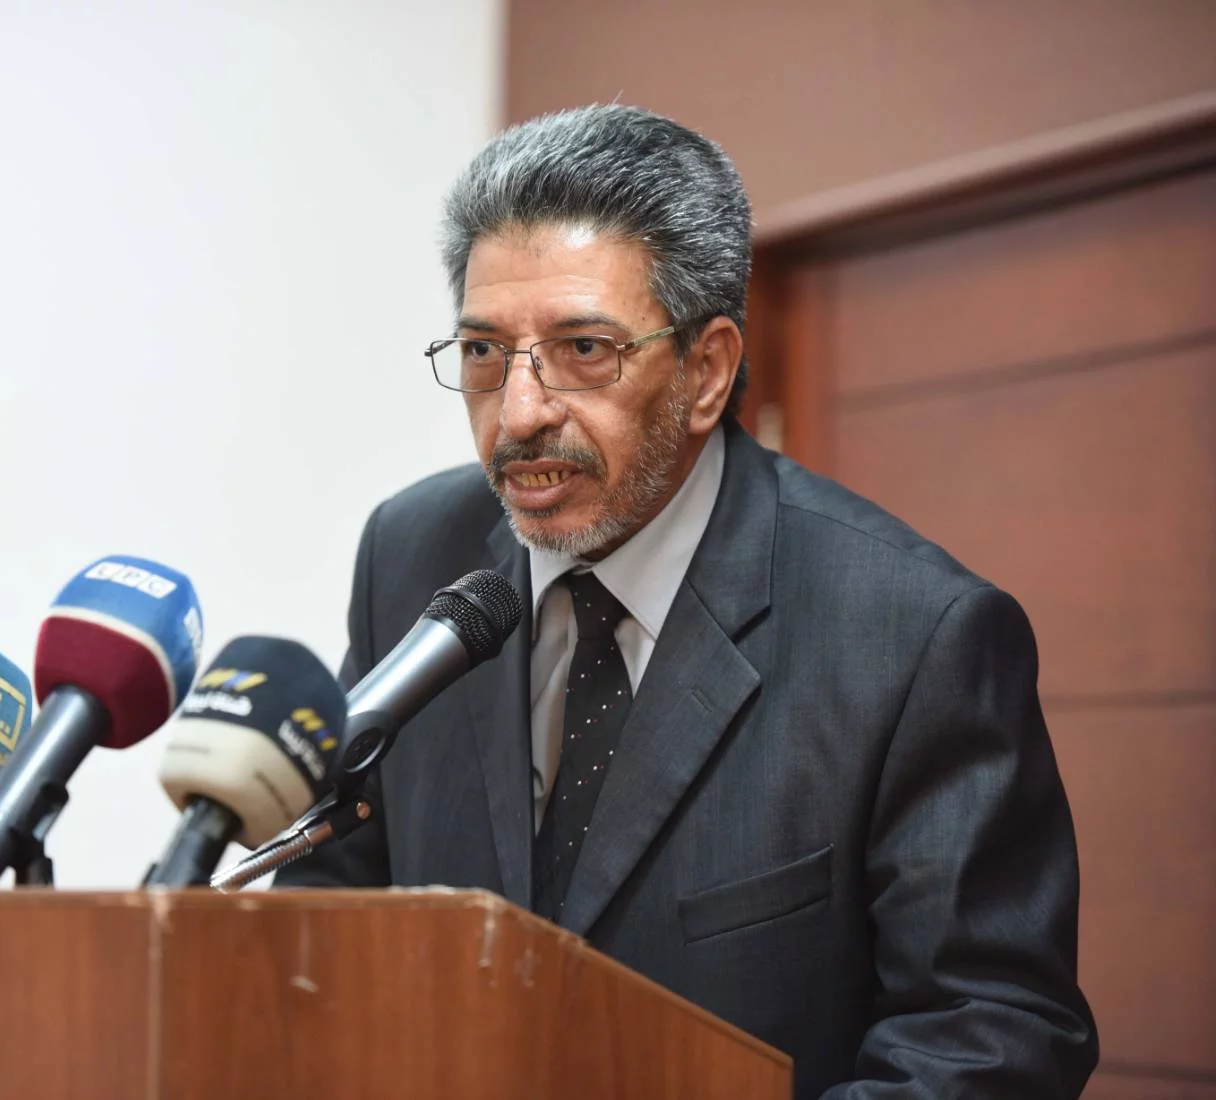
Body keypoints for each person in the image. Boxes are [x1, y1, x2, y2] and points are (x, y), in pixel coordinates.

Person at [275, 104, 1098, 1097]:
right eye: (485, 353)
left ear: (707, 371)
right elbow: (329, 905)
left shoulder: (910, 635)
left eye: (584, 349)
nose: (520, 413)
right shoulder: (413, 554)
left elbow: (989, 1038)